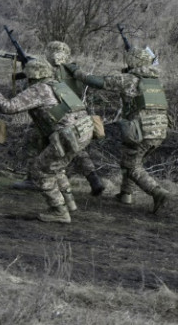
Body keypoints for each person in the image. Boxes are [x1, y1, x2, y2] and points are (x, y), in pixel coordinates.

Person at [0, 57, 94, 223]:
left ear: (32, 77)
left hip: (67, 135)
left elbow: (8, 107)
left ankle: (59, 211)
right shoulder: (59, 85)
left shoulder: (39, 89)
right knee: (55, 167)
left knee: (39, 171)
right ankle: (69, 204)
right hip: (83, 130)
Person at [67, 47, 170, 213]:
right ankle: (125, 195)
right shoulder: (156, 81)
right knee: (133, 159)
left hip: (141, 129)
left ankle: (157, 192)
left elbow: (96, 81)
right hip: (160, 128)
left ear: (133, 62)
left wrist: (75, 71)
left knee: (131, 166)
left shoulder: (129, 79)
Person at [12, 41, 105, 196]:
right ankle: (93, 178)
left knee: (40, 142)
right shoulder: (72, 68)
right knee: (75, 148)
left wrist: (27, 68)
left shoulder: (47, 70)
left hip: (56, 113)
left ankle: (35, 179)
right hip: (76, 111)